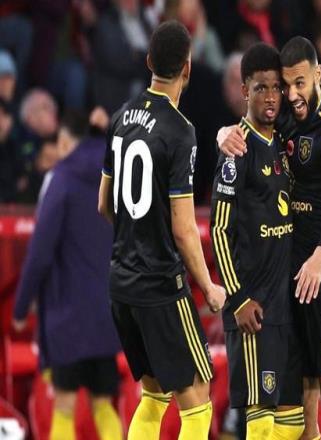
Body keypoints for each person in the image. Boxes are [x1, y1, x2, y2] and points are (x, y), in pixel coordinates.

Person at [218, 36, 321, 440]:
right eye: (287, 85)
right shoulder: (284, 118)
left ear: (318, 75)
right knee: (303, 424)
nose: (293, 94)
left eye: (300, 83)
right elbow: (249, 125)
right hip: (289, 283)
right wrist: (222, 134)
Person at [97, 21, 225, 439]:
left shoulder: (120, 118)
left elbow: (104, 204)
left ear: (149, 61)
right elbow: (184, 229)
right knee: (198, 397)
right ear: (187, 68)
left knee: (153, 395)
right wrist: (208, 287)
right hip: (159, 287)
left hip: (121, 283)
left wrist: (136, 236)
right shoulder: (180, 130)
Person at [210, 42, 304, 440]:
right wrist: (238, 300)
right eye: (260, 88)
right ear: (244, 91)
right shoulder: (236, 150)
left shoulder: (283, 142)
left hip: (285, 307)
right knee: (261, 423)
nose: (270, 97)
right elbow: (218, 230)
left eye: (275, 88)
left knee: (294, 422)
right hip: (254, 308)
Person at [13, 111, 123, 440]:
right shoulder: (116, 175)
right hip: (108, 313)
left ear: (64, 142)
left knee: (64, 405)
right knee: (104, 405)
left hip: (68, 316)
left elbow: (40, 252)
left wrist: (21, 307)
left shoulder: (61, 179)